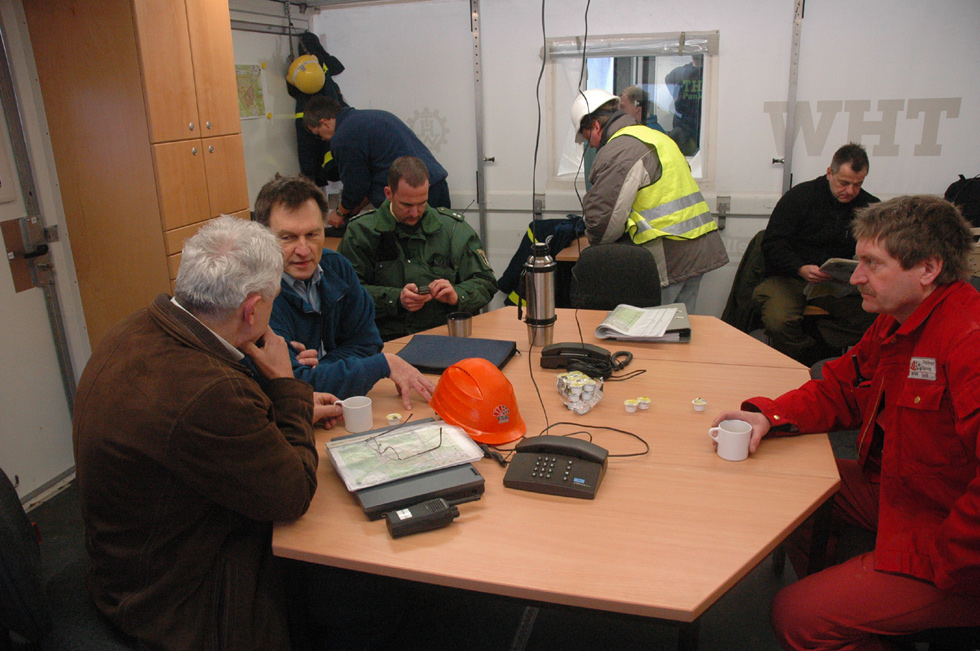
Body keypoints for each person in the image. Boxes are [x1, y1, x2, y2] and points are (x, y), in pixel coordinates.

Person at [712, 195, 980, 650]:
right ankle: (858, 608)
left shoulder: (968, 341)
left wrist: (929, 561)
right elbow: (840, 387)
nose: (856, 278)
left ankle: (847, 608)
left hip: (956, 549)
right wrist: (768, 416)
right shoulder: (900, 319)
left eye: (872, 264)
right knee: (793, 491)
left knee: (797, 616)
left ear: (928, 269)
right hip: (907, 494)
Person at [72, 215, 337, 649]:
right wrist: (287, 388)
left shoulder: (133, 329)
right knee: (337, 573)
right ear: (252, 309)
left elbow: (198, 433)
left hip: (125, 567)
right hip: (177, 603)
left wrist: (282, 414)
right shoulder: (212, 391)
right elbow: (292, 494)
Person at [253, 174, 435, 409]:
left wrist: (323, 367)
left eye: (312, 234)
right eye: (287, 238)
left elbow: (367, 343)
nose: (303, 249)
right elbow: (293, 387)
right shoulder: (257, 295)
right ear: (263, 237)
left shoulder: (336, 267)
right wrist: (380, 365)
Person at [571, 88, 728, 312]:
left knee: (651, 336)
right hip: (696, 249)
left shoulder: (619, 150)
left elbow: (603, 226)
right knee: (679, 333)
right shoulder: (654, 137)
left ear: (595, 126)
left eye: (588, 139)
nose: (592, 146)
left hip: (666, 259)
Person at [338, 156, 496, 340]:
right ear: (388, 193)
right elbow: (344, 292)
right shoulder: (361, 232)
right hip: (384, 341)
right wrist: (395, 299)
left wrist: (457, 295)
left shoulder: (453, 230)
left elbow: (486, 282)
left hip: (443, 336)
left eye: (422, 203)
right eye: (406, 205)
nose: (415, 213)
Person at [754, 143, 880, 364]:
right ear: (829, 172)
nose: (850, 191)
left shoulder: (868, 207)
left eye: (858, 184)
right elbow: (772, 244)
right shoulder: (800, 197)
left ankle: (823, 342)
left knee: (878, 315)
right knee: (779, 320)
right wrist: (799, 267)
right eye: (844, 183)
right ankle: (805, 356)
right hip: (789, 277)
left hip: (835, 283)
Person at [303, 96, 450, 228]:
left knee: (414, 253)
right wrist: (356, 207)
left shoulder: (342, 138)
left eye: (318, 134)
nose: (323, 139)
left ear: (324, 123)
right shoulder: (374, 116)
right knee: (442, 247)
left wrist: (339, 212)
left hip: (411, 200)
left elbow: (356, 186)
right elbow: (374, 174)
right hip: (436, 185)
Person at [665, 55, 703, 156]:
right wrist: (676, 96)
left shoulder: (710, 73)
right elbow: (668, 81)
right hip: (683, 128)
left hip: (702, 128)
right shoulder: (678, 73)